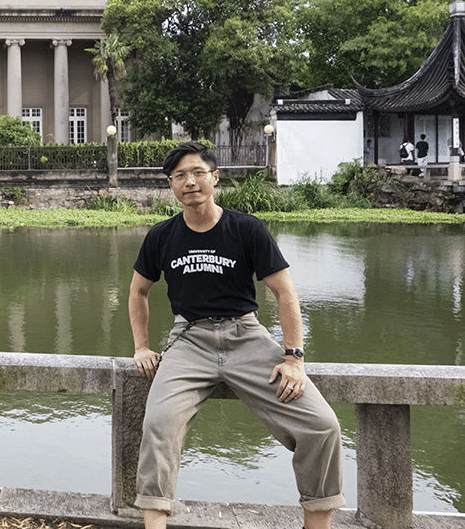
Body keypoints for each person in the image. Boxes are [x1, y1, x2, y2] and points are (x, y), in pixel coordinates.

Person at [128, 141, 344, 529]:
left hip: (247, 336)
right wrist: (141, 347)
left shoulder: (245, 229)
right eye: (179, 176)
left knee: (322, 425)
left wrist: (294, 358)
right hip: (189, 340)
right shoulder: (161, 236)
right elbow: (138, 292)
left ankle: (318, 523)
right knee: (158, 424)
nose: (189, 182)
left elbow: (285, 293)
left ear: (215, 177)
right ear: (171, 186)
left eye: (197, 173)